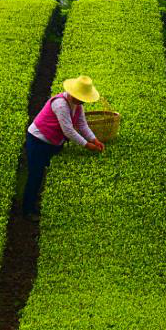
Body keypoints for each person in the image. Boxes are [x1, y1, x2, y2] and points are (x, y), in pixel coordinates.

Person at [23, 75, 104, 221]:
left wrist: (94, 139)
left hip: (52, 142)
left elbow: (82, 124)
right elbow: (68, 130)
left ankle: (36, 200)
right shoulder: (60, 104)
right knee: (35, 175)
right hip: (38, 140)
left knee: (42, 170)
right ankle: (27, 210)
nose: (82, 101)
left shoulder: (78, 105)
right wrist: (86, 145)